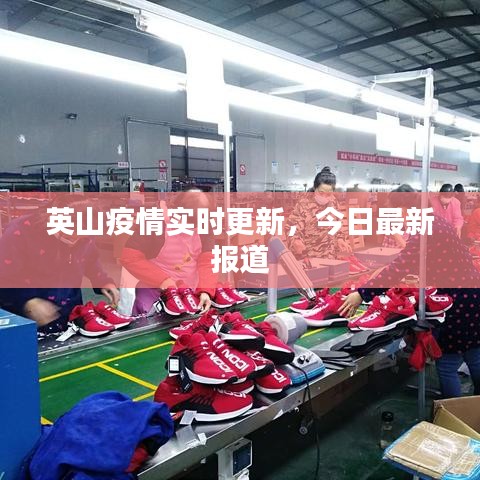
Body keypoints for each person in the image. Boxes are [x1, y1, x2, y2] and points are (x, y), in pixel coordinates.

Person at [338, 185, 480, 398]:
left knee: (448, 365)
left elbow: (400, 267)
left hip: (457, 301)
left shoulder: (424, 229)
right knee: (475, 356)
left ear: (405, 209)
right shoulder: (436, 221)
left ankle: (455, 412)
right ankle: (473, 410)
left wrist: (362, 293)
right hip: (472, 295)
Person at [0, 200, 119, 335]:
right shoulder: (20, 231)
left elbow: (90, 259)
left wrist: (102, 281)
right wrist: (27, 300)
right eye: (70, 234)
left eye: (82, 236)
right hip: (25, 316)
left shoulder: (86, 230)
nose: (74, 241)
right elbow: (4, 276)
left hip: (68, 307)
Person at [120, 190, 217, 315]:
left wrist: (205, 290)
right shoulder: (155, 221)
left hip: (188, 289)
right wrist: (162, 280)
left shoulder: (204, 224)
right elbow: (130, 257)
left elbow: (208, 261)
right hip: (153, 286)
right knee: (146, 319)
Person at [286, 167, 351, 259]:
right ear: (315, 188)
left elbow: (338, 225)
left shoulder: (333, 202)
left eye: (328, 194)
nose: (324, 197)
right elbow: (292, 227)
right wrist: (295, 240)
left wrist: (340, 239)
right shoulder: (304, 203)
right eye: (321, 193)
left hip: (330, 255)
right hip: (308, 256)